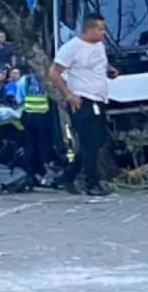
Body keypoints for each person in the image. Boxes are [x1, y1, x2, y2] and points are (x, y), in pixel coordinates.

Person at [49, 13, 118, 196]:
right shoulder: (71, 48)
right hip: (82, 100)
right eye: (100, 29)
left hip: (99, 98)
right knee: (90, 141)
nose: (103, 33)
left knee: (99, 139)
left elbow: (99, 65)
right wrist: (69, 94)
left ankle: (68, 176)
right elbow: (54, 72)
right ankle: (91, 183)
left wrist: (110, 71)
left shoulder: (99, 46)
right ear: (87, 29)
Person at [18, 65, 56, 180]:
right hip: (43, 116)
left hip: (28, 115)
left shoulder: (24, 80)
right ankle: (45, 168)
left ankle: (30, 170)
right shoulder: (47, 80)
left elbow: (19, 98)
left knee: (30, 144)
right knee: (44, 143)